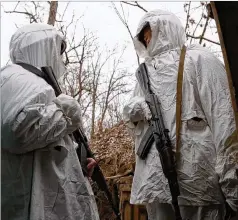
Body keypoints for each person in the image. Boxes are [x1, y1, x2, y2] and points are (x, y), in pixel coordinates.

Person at [123, 9, 238, 220]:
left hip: (197, 182)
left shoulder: (199, 60)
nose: (148, 41)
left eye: (151, 34)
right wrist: (134, 109)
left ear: (166, 29)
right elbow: (134, 127)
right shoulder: (145, 74)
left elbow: (225, 122)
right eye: (144, 38)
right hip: (155, 184)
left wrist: (232, 185)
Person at [1, 23, 100, 220]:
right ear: (41, 46)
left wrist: (78, 160)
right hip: (31, 205)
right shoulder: (19, 78)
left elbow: (45, 140)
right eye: (57, 50)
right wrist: (67, 112)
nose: (60, 59)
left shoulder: (28, 81)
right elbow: (18, 132)